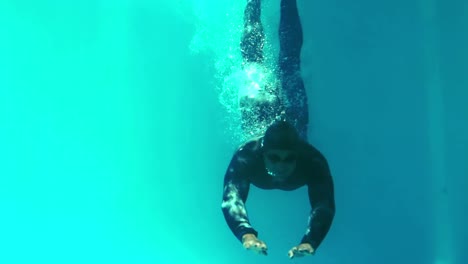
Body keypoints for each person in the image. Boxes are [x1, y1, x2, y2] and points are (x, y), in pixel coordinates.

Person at [221, 0, 336, 259]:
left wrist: (311, 241)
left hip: (257, 111)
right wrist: (246, 233)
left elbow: (324, 204)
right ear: (262, 153)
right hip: (289, 117)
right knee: (286, 66)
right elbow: (231, 197)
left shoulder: (312, 160)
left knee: (262, 64)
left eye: (288, 158)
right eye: (275, 157)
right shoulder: (247, 156)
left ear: (298, 154)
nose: (282, 165)